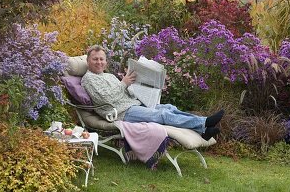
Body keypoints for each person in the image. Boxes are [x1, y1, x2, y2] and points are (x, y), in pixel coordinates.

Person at [81, 45, 224, 140]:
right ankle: (204, 122)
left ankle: (202, 130)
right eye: (95, 59)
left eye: (101, 59)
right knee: (162, 114)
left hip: (133, 105)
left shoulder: (108, 76)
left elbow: (123, 92)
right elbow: (106, 99)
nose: (99, 62)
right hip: (120, 113)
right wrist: (124, 83)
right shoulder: (89, 79)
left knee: (169, 108)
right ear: (88, 61)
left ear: (106, 62)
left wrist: (138, 86)